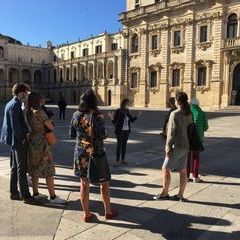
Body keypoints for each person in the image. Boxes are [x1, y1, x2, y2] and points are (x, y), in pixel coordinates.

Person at [69, 90, 117, 222]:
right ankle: (108, 211)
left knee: (84, 183)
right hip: (96, 153)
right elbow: (102, 135)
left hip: (81, 153)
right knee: (104, 182)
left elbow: (72, 134)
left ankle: (87, 214)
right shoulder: (98, 116)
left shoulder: (75, 115)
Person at [0, 83, 37, 204]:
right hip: (18, 140)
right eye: (25, 92)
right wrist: (23, 138)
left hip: (12, 140)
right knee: (22, 168)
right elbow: (15, 125)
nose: (26, 95)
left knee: (14, 167)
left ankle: (14, 192)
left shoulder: (10, 103)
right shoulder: (15, 105)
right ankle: (25, 195)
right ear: (20, 92)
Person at [26, 92, 65, 204]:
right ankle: (52, 197)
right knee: (48, 169)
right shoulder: (40, 112)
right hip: (41, 142)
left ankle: (36, 193)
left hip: (32, 141)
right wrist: (50, 122)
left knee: (34, 169)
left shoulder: (28, 112)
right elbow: (50, 126)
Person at [153, 92, 193, 201]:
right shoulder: (189, 113)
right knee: (183, 170)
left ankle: (165, 193)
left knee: (165, 168)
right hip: (186, 145)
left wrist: (168, 148)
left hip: (177, 145)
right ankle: (180, 194)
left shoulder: (175, 114)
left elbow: (171, 133)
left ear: (178, 101)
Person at [109, 99, 142, 166]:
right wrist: (111, 117)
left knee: (124, 146)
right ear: (124, 104)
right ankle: (117, 161)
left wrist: (137, 115)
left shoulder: (127, 112)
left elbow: (132, 120)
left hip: (126, 131)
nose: (128, 105)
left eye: (128, 104)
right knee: (119, 146)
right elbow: (115, 122)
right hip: (119, 131)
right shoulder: (119, 111)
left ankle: (123, 160)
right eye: (127, 104)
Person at [187, 98, 208, 183]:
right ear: (198, 104)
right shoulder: (202, 113)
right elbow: (206, 127)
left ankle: (186, 176)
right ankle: (195, 177)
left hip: (188, 137)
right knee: (196, 158)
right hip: (198, 138)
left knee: (187, 158)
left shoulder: (187, 112)